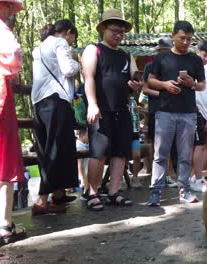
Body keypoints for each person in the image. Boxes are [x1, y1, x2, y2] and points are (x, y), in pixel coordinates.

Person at [81, 9, 142, 211]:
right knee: (98, 152)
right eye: (114, 30)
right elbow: (88, 77)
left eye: (121, 32)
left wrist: (137, 83)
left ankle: (114, 191)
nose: (118, 35)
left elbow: (135, 76)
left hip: (122, 109)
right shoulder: (94, 50)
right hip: (101, 109)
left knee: (120, 152)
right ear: (104, 29)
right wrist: (92, 103)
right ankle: (92, 192)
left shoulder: (126, 55)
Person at [146, 21, 206, 206]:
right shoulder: (162, 58)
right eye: (182, 38)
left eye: (189, 39)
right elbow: (149, 80)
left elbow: (202, 85)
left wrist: (192, 84)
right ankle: (156, 191)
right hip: (164, 112)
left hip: (188, 113)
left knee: (185, 154)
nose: (186, 42)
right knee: (160, 154)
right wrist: (165, 85)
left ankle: (184, 189)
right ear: (173, 36)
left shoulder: (195, 60)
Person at [31, 19, 80, 215]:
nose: (71, 44)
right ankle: (42, 200)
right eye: (72, 40)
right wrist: (79, 63)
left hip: (39, 103)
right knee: (57, 148)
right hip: (56, 102)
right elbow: (68, 69)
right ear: (68, 33)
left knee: (46, 148)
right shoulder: (59, 43)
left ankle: (58, 194)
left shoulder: (38, 48)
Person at [0, 0, 27, 245]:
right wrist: (9, 71)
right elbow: (14, 53)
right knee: (0, 164)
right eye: (8, 8)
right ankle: (5, 226)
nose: (10, 13)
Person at [142, 38, 178, 189]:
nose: (164, 53)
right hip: (155, 109)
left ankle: (169, 174)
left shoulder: (175, 65)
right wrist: (162, 92)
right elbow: (145, 89)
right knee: (155, 143)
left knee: (170, 144)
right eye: (161, 51)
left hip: (172, 109)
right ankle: (156, 175)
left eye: (166, 50)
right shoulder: (150, 66)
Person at [191, 41, 207, 192]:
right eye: (204, 55)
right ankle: (197, 179)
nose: (206, 58)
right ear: (198, 52)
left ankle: (194, 176)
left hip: (205, 115)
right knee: (198, 146)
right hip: (193, 112)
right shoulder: (190, 72)